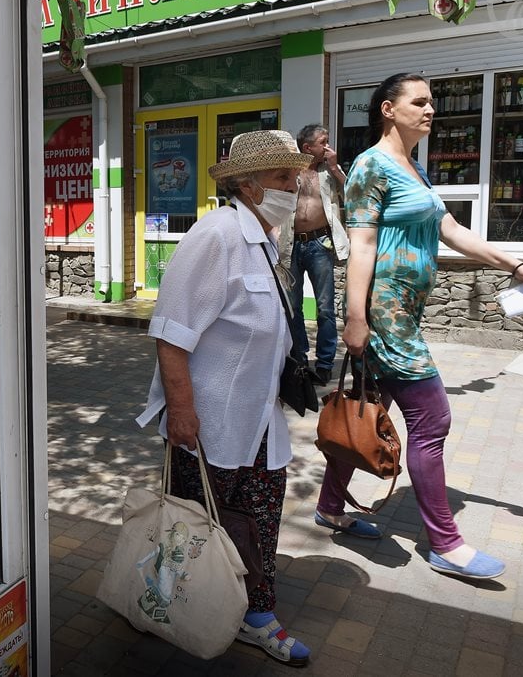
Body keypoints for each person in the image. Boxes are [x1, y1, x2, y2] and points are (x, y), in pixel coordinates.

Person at [315, 73, 523, 581]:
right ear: (387, 110)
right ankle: (445, 542)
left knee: (370, 415)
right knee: (432, 419)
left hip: (404, 314)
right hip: (385, 315)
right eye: (418, 102)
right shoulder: (370, 166)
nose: (430, 110)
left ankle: (331, 507)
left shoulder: (414, 169)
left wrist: (515, 265)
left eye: (432, 102)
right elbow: (363, 247)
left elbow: (452, 231)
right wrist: (355, 318)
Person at [135, 129, 314, 667]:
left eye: (294, 174)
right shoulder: (215, 236)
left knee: (258, 519)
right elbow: (170, 334)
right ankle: (170, 605)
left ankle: (254, 615)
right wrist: (183, 412)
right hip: (208, 425)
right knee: (194, 526)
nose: (294, 185)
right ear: (250, 184)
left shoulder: (265, 238)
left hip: (257, 422)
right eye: (283, 176)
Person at [276, 124, 350, 385]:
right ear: (307, 148)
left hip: (320, 244)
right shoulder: (290, 172)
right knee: (293, 307)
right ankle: (299, 359)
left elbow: (354, 193)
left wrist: (334, 167)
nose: (328, 147)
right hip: (291, 245)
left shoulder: (329, 171)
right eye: (323, 142)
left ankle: (325, 363)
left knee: (325, 308)